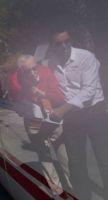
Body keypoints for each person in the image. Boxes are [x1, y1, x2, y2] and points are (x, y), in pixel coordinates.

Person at [48, 29, 108, 200]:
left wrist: (62, 109)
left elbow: (89, 91)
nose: (64, 46)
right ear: (52, 45)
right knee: (76, 162)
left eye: (67, 41)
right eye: (59, 43)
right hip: (72, 117)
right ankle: (84, 196)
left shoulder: (86, 57)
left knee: (104, 158)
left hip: (94, 113)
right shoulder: (50, 63)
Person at [10, 54, 71, 197]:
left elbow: (59, 96)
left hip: (53, 118)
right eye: (27, 71)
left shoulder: (45, 71)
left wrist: (41, 93)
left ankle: (72, 188)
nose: (33, 72)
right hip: (33, 120)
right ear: (21, 70)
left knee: (64, 155)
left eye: (34, 68)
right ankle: (57, 191)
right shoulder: (15, 79)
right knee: (44, 155)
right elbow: (16, 99)